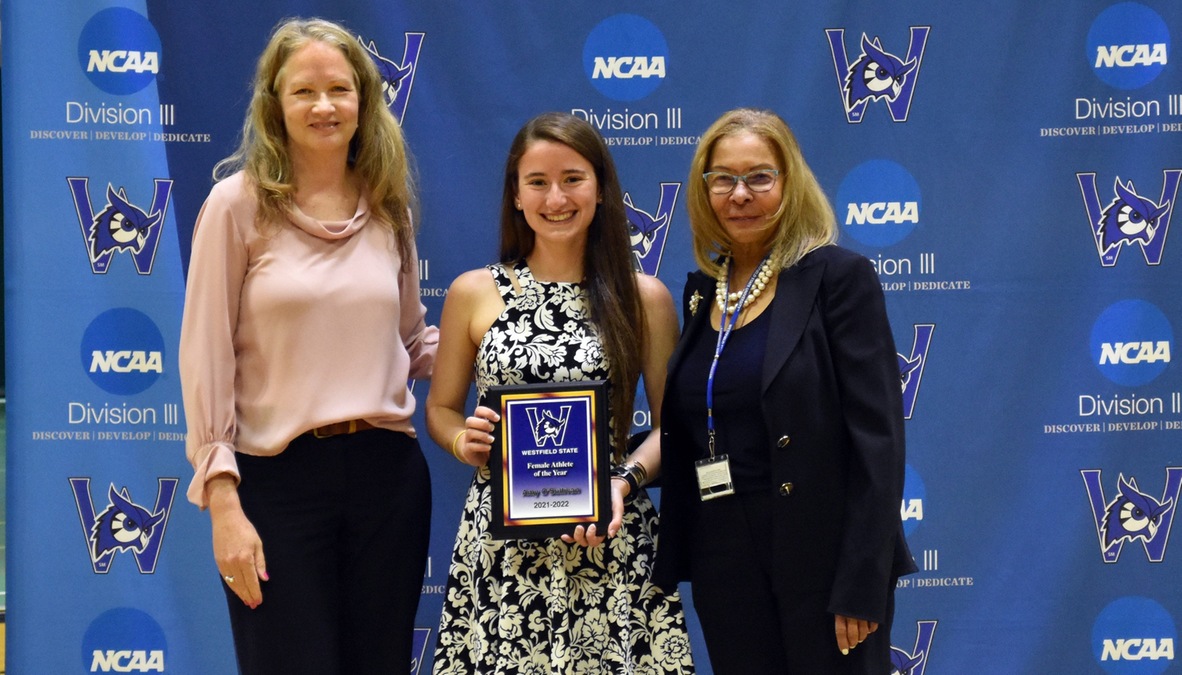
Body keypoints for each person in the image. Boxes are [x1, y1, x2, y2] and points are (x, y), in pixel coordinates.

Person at [178, 17, 437, 675]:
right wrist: (224, 502)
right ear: (274, 104)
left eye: (340, 90)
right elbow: (205, 354)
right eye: (304, 92)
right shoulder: (234, 207)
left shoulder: (388, 208)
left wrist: (510, 351)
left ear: (364, 101)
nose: (324, 106)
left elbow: (412, 339)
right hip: (274, 484)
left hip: (388, 478)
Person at [426, 112, 695, 674]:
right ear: (516, 196)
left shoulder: (644, 298)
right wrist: (460, 440)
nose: (556, 197)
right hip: (501, 550)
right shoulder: (472, 292)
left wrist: (624, 483)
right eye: (538, 182)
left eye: (573, 178)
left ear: (600, 190)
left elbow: (676, 428)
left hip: (611, 538)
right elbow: (440, 408)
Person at [653, 107, 917, 674]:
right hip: (725, 560)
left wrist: (862, 581)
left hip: (824, 565)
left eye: (759, 177)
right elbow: (690, 427)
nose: (739, 194)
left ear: (789, 183)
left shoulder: (838, 279)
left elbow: (880, 441)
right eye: (722, 178)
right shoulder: (704, 293)